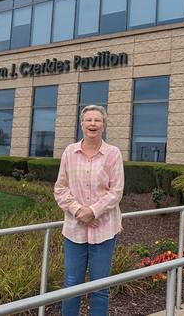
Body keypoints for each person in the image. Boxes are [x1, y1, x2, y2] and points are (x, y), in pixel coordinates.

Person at [54, 104, 124, 316]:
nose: (93, 124)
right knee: (71, 285)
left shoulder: (113, 154)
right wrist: (79, 212)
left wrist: (92, 211)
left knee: (100, 288)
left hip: (104, 230)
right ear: (82, 124)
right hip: (74, 230)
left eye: (97, 120)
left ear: (103, 125)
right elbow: (60, 188)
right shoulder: (69, 152)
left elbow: (116, 190)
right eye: (88, 120)